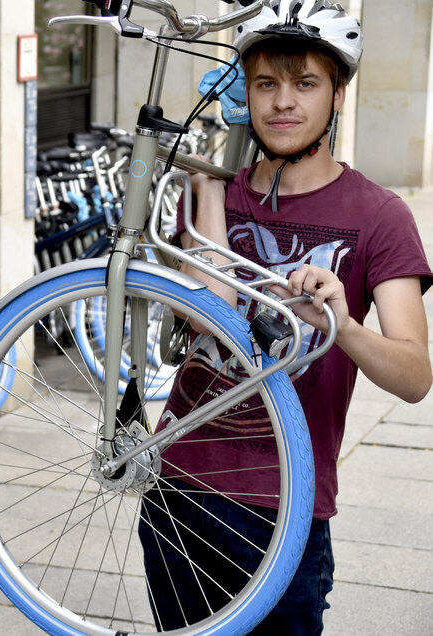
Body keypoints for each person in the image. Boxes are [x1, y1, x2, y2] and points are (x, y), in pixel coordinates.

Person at [138, 1, 433, 633]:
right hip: (178, 491)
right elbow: (206, 318)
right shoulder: (212, 196)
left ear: (337, 94)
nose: (283, 102)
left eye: (305, 83)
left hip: (286, 509)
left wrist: (343, 325)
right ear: (245, 94)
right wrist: (207, 199)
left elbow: (414, 376)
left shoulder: (379, 216)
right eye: (266, 83)